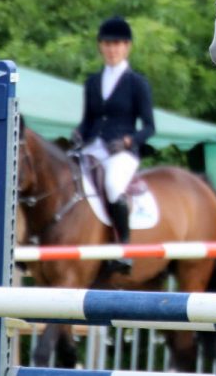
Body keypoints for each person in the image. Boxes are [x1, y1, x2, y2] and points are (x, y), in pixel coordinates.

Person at [71, 16, 156, 274]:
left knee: (112, 185)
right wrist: (76, 135)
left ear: (127, 46)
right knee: (68, 177)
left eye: (117, 44)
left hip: (122, 151)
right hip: (94, 146)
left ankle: (124, 249)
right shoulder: (92, 82)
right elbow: (88, 121)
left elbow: (150, 127)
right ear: (100, 47)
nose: (112, 49)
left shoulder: (137, 83)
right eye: (107, 44)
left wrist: (130, 140)